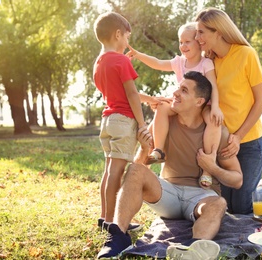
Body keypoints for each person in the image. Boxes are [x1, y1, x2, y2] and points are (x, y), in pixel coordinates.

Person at [97, 71, 243, 259]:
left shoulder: (217, 132)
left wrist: (212, 167)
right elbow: (140, 170)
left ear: (199, 101)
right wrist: (143, 148)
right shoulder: (162, 124)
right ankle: (118, 237)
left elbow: (237, 180)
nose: (175, 93)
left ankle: (192, 249)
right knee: (135, 169)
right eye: (177, 88)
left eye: (184, 90)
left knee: (219, 203)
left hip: (202, 196)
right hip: (168, 193)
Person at [194, 7, 262, 214]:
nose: (197, 37)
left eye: (201, 32)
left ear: (218, 32)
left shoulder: (246, 54)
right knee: (227, 206)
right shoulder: (208, 62)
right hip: (222, 144)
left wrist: (238, 137)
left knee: (242, 207)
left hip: (247, 143)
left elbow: (261, 101)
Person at [126, 22, 224, 189]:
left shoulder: (206, 63)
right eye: (180, 42)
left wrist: (215, 106)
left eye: (187, 41)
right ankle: (158, 150)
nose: (183, 46)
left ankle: (208, 166)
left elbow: (213, 86)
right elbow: (157, 63)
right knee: (162, 108)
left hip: (203, 105)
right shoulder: (179, 62)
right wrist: (137, 54)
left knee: (213, 121)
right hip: (181, 104)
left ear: (199, 43)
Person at [93, 11, 158, 232]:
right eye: (127, 38)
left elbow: (118, 91)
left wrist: (150, 99)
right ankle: (113, 222)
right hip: (123, 121)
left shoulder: (99, 62)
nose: (127, 42)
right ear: (118, 34)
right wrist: (141, 124)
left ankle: (105, 217)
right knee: (117, 173)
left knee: (109, 170)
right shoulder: (120, 60)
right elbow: (130, 95)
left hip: (108, 120)